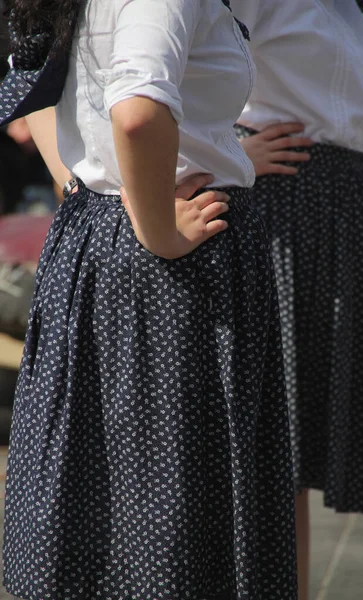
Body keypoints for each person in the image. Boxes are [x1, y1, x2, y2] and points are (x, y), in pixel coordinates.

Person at [1, 0, 298, 599]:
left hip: (100, 245)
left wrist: (87, 189)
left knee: (109, 490)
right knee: (175, 499)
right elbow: (137, 113)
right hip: (172, 269)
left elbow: (30, 88)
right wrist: (155, 226)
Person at [230, 1, 363, 599]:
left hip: (339, 202)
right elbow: (178, 69)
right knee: (276, 450)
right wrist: (227, 155)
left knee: (296, 455)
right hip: (281, 204)